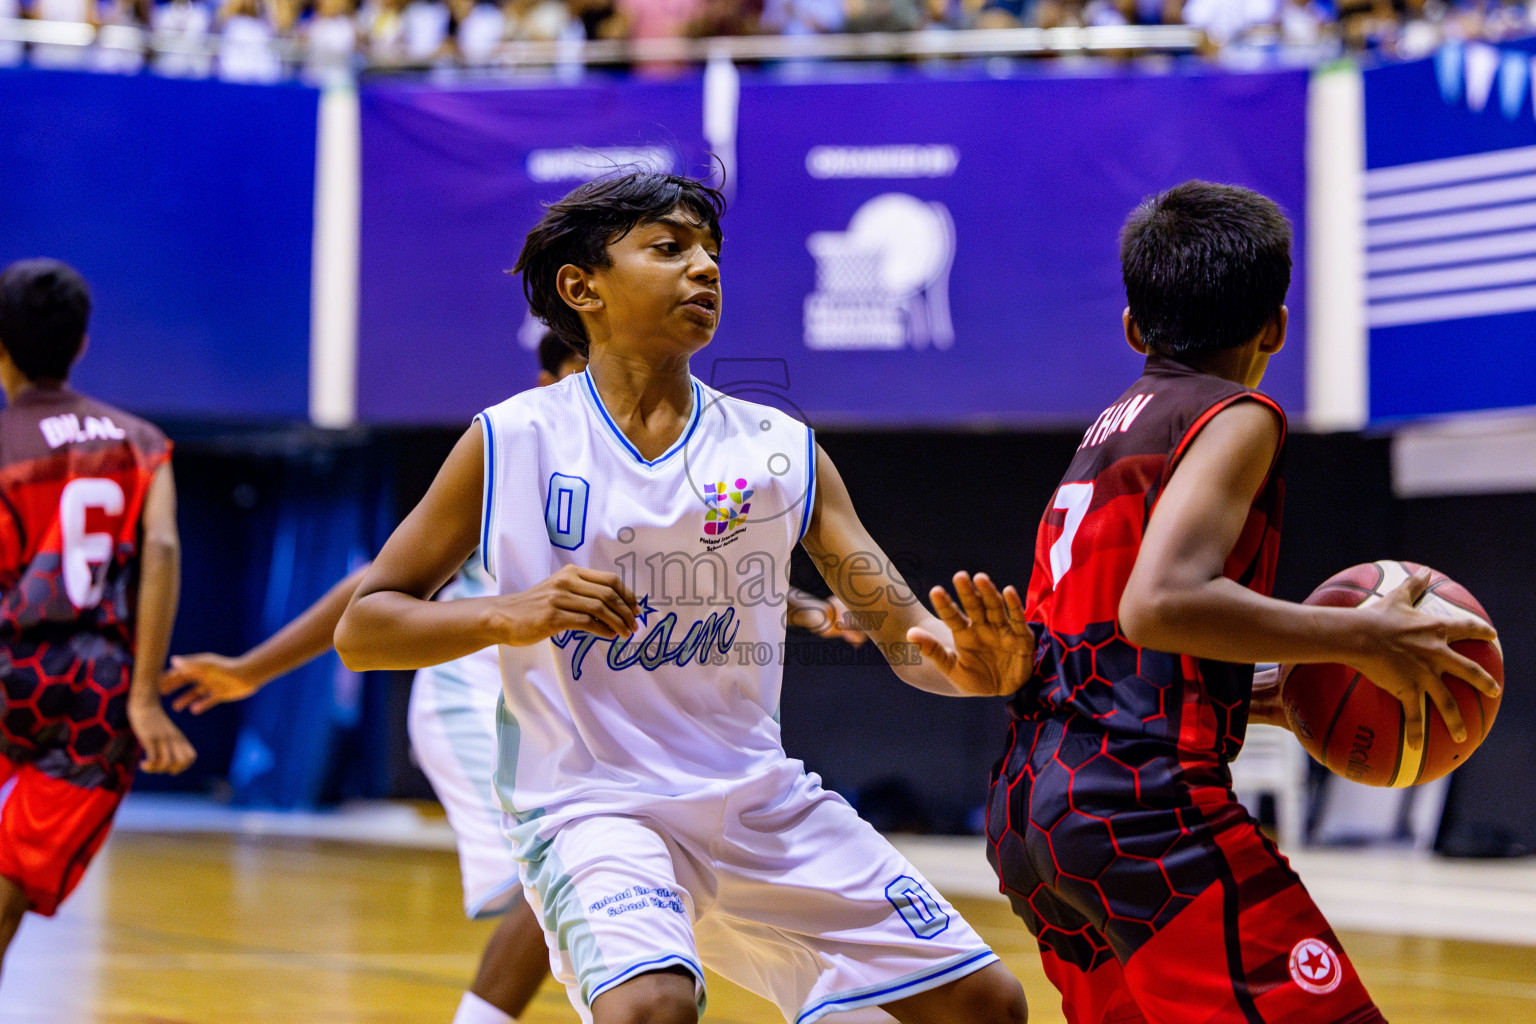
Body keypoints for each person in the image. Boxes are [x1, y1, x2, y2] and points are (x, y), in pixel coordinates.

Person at [333, 170, 1032, 1024]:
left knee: (987, 1004)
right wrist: (506, 614)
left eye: (712, 252)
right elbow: (364, 629)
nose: (704, 269)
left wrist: (968, 668)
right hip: (592, 804)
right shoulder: (508, 441)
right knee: (653, 1007)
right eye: (669, 248)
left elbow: (904, 637)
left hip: (756, 799)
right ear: (580, 287)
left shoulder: (781, 449)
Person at [162, 329, 867, 1024]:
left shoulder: (656, 465)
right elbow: (363, 597)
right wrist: (252, 669)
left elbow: (699, 584)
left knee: (616, 874)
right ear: (552, 381)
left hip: (570, 702)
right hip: (475, 691)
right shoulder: (522, 456)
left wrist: (808, 613)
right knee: (581, 860)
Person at [970, 181, 1501, 1024]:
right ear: (1277, 327)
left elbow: (1105, 645)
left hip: (1032, 809)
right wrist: (1359, 637)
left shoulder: (1112, 427)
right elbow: (1163, 603)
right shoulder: (1236, 414)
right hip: (1137, 811)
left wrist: (1256, 695)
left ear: (1134, 330)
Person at [0, 259, 196, 983]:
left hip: (8, 664)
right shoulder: (141, 441)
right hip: (97, 690)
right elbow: (164, 549)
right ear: (82, 343)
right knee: (13, 881)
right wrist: (144, 696)